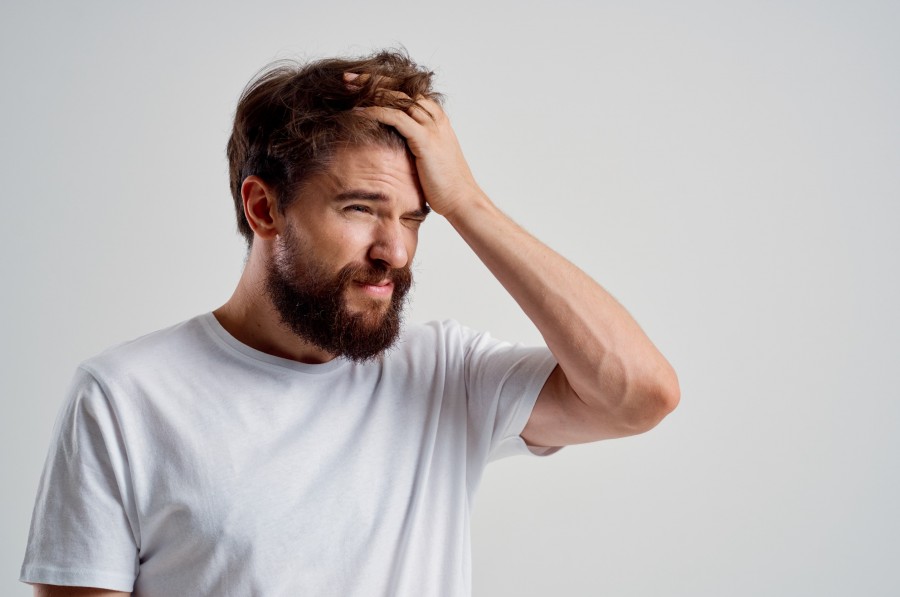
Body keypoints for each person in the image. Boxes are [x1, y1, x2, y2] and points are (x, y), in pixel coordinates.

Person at [21, 50, 679, 597]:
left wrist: (469, 203)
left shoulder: (445, 374)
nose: (394, 249)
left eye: (417, 218)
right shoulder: (124, 397)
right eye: (361, 207)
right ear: (264, 206)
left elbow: (639, 394)